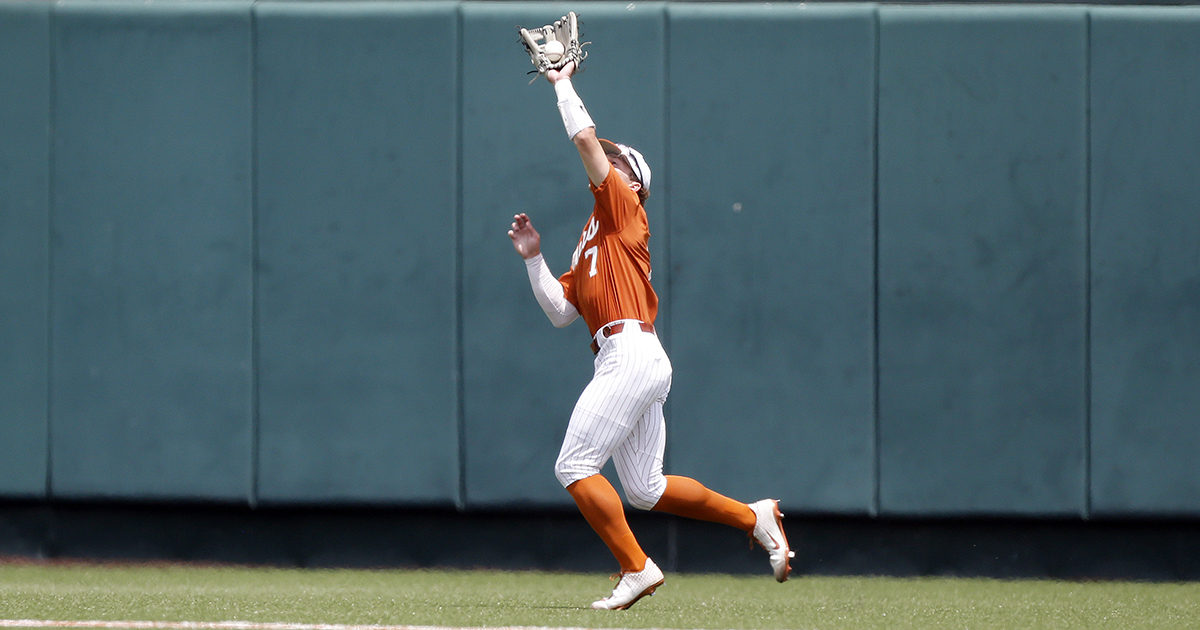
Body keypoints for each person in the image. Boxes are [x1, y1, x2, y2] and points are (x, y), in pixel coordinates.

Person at [507, 59, 793, 610]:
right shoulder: (591, 241)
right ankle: (752, 516)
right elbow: (561, 312)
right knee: (644, 488)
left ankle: (636, 567)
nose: (603, 164)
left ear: (632, 181)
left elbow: (587, 140)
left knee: (573, 466)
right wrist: (534, 260)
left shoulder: (623, 208)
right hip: (628, 354)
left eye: (615, 163)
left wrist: (562, 82)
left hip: (630, 353)